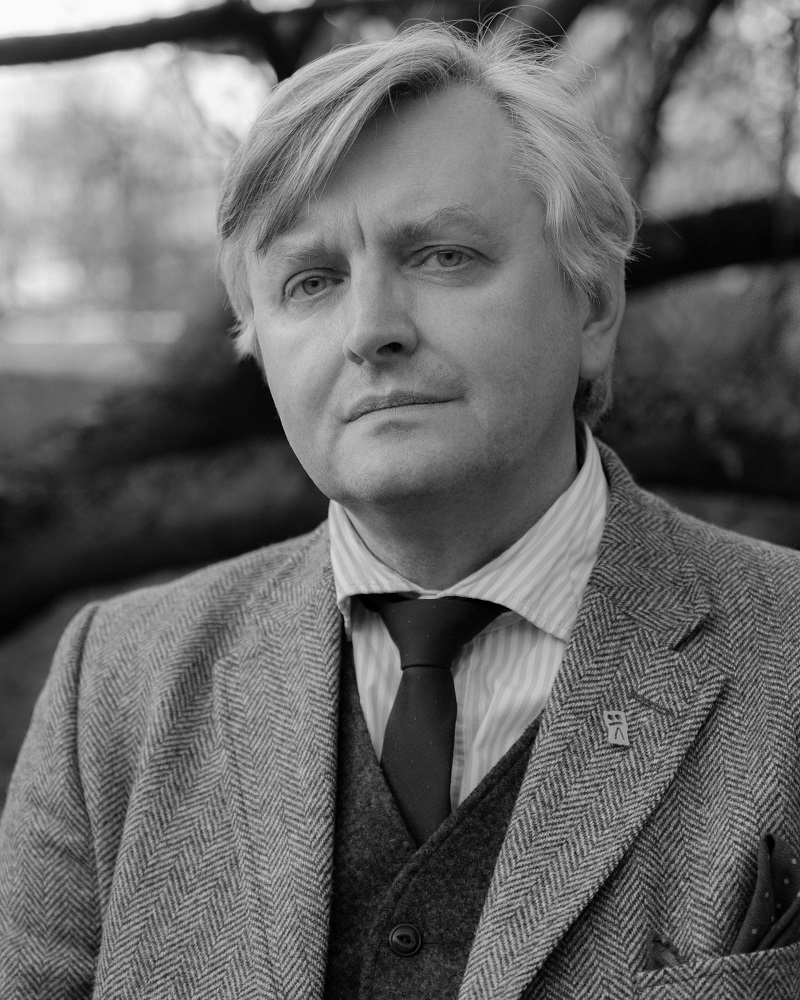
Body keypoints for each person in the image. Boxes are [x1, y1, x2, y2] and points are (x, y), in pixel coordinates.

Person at [1, 21, 799, 1000]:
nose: (370, 330)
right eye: (311, 282)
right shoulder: (115, 687)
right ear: (259, 344)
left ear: (592, 306)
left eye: (443, 256)